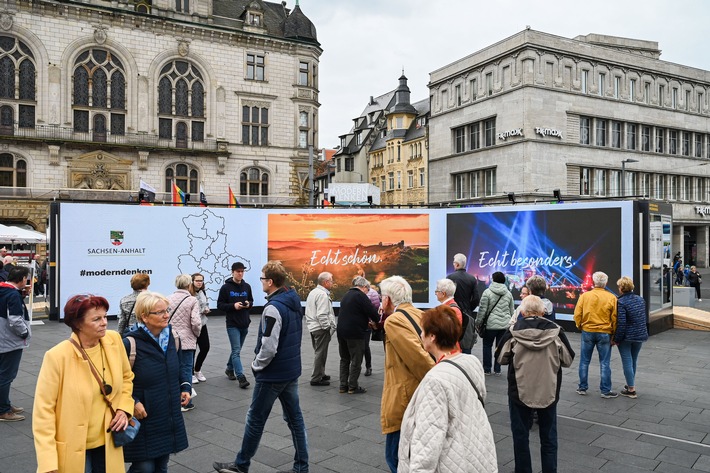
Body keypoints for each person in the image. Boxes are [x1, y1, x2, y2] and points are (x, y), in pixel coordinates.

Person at [213, 261, 308, 473]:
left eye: (263, 279)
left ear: (271, 282)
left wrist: (256, 366)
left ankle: (241, 465)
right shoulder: (293, 301)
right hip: (291, 370)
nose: (261, 282)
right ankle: (302, 467)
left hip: (273, 374)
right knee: (295, 420)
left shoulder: (273, 308)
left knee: (255, 420)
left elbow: (269, 347)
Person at [33, 294, 134, 472]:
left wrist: (124, 409)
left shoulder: (114, 340)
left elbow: (127, 378)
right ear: (78, 324)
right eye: (96, 319)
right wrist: (48, 461)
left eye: (105, 316)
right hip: (73, 446)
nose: (104, 322)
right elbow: (43, 412)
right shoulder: (57, 356)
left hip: (108, 442)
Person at [398, 305, 497, 473]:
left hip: (453, 461)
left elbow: (428, 438)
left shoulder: (435, 380)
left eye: (423, 332)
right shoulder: (471, 362)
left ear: (432, 337)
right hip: (478, 451)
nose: (421, 336)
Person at [496, 295, 575, 473]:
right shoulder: (556, 331)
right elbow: (568, 359)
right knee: (548, 438)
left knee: (521, 437)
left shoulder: (513, 330)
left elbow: (500, 358)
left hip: (519, 391)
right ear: (543, 311)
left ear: (522, 312)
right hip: (549, 391)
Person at [123, 291, 190, 472]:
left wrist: (185, 386)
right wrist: (132, 402)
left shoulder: (172, 338)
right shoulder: (130, 343)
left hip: (167, 413)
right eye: (159, 312)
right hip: (143, 415)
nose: (166, 315)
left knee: (161, 465)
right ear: (144, 316)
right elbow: (117, 381)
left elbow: (181, 365)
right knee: (144, 467)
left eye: (166, 310)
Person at [380, 275, 435, 473]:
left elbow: (417, 357)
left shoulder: (394, 320)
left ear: (387, 299)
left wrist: (434, 378)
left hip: (405, 395)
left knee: (395, 456)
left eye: (381, 297)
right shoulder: (421, 314)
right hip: (418, 392)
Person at [574, 271, 618, 398]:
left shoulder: (585, 296)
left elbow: (577, 314)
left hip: (587, 331)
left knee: (584, 361)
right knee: (605, 362)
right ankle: (605, 390)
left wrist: (580, 326)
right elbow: (615, 318)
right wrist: (614, 334)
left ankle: (582, 387)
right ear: (606, 283)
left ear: (593, 282)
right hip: (605, 333)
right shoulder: (612, 297)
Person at [337, 276, 380, 394]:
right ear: (364, 287)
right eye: (368, 289)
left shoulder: (346, 295)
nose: (368, 291)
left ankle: (342, 386)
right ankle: (352, 386)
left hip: (341, 331)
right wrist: (376, 320)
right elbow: (373, 312)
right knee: (356, 359)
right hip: (355, 332)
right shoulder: (361, 296)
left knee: (344, 359)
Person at [0, 266, 31, 422]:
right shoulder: (12, 294)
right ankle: (3, 411)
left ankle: (4, 404)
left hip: (2, 338)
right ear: (23, 278)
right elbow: (15, 320)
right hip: (9, 341)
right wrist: (24, 332)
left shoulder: (4, 290)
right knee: (6, 376)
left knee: (3, 374)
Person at [217, 262, 254, 388]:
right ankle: (241, 377)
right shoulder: (226, 288)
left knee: (235, 350)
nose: (240, 273)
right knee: (236, 351)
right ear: (232, 272)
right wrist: (233, 306)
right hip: (232, 324)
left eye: (242, 271)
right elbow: (220, 305)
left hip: (245, 323)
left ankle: (229, 368)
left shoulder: (247, 286)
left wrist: (248, 304)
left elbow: (251, 300)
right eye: (238, 271)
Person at [168, 274, 201, 411]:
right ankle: (185, 401)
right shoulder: (192, 300)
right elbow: (196, 322)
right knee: (186, 368)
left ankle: (172, 399)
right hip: (187, 340)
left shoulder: (168, 298)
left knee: (173, 369)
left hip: (171, 339)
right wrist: (196, 334)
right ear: (189, 285)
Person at [614, 277, 649, 399]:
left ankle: (631, 389)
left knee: (627, 362)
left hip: (626, 337)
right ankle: (630, 384)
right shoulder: (640, 300)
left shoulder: (621, 302)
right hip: (640, 335)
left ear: (622, 289)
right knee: (633, 360)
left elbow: (621, 323)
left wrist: (616, 339)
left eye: (619, 287)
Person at [476, 271, 514, 376]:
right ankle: (498, 369)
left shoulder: (487, 292)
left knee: (487, 345)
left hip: (490, 325)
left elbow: (482, 310)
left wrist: (478, 322)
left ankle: (487, 369)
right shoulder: (508, 293)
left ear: (493, 280)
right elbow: (512, 311)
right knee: (500, 346)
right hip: (504, 325)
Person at [304, 271, 336, 386]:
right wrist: (327, 327)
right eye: (331, 280)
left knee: (319, 352)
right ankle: (316, 378)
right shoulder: (322, 295)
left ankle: (321, 373)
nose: (332, 283)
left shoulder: (313, 292)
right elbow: (322, 314)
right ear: (326, 282)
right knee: (320, 353)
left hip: (313, 326)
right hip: (320, 328)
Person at [446, 253, 479, 354]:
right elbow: (476, 299)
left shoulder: (450, 277)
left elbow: (447, 296)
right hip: (467, 314)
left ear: (456, 264)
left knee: (451, 341)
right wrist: (468, 308)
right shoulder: (472, 279)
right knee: (466, 344)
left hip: (452, 314)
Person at [192, 272, 211, 383]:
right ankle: (190, 373)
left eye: (201, 280)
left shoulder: (203, 291)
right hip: (192, 324)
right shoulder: (189, 293)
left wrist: (206, 309)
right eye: (197, 280)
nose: (199, 283)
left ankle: (197, 369)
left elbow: (205, 303)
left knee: (205, 347)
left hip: (202, 323)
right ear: (192, 281)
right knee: (192, 349)